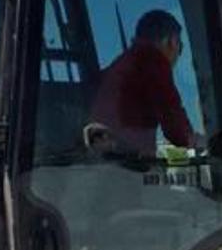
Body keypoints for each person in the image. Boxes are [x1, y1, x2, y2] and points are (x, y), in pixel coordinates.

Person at [87, 10, 203, 157]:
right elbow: (172, 117)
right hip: (124, 161)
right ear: (171, 41)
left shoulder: (122, 65)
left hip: (103, 156)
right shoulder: (152, 60)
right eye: (181, 47)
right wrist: (193, 139)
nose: (178, 56)